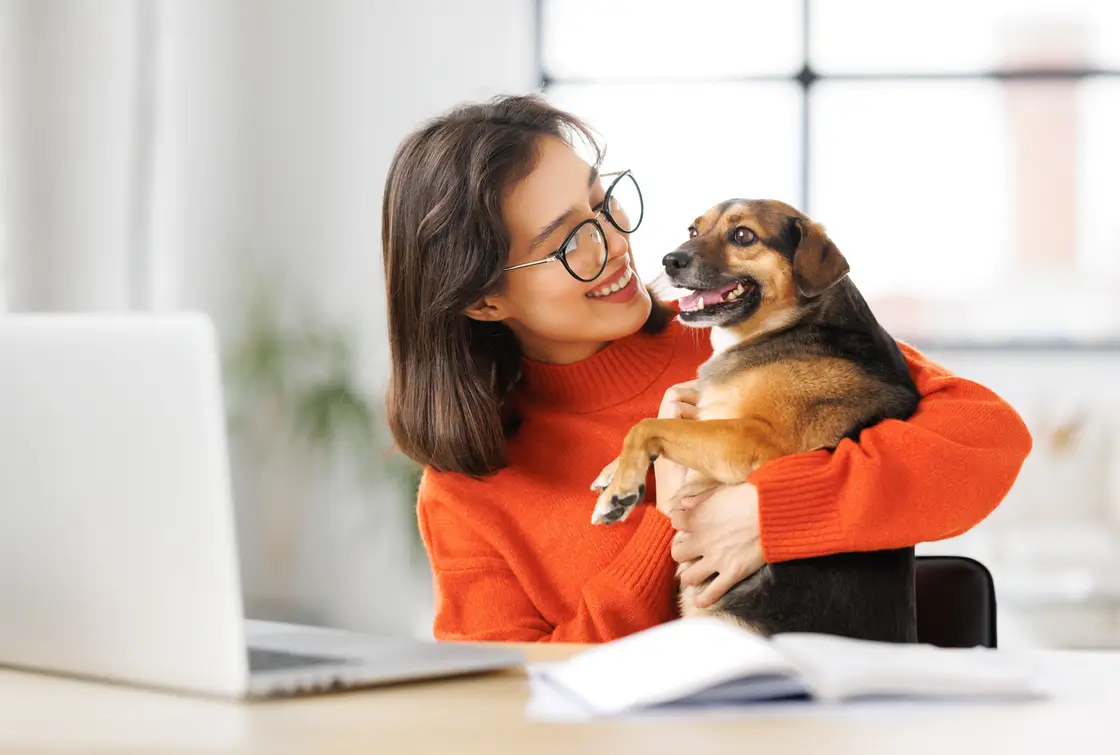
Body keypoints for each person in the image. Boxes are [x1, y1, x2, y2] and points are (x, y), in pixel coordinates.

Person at [380, 93, 1032, 643]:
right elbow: (506, 707)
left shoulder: (744, 332)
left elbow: (988, 438)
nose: (614, 245)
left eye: (604, 203)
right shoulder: (464, 496)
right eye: (568, 242)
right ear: (485, 299)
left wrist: (771, 513)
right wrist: (674, 508)